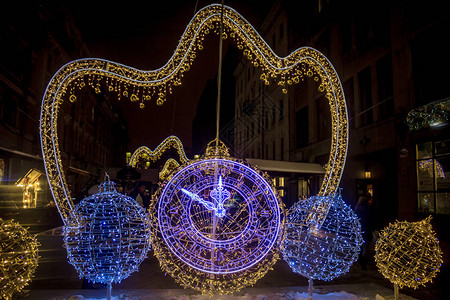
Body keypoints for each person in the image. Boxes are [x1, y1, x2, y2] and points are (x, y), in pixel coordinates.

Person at [354, 194, 374, 270]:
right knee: (365, 247)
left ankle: (361, 262)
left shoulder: (356, 209)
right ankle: (363, 262)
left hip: (359, 231)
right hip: (366, 230)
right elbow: (371, 220)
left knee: (360, 247)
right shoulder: (368, 209)